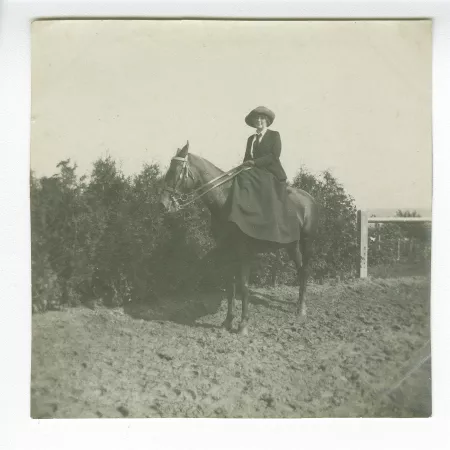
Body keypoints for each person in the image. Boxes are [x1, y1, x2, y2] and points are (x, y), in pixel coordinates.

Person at [226, 106, 299, 244]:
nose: (259, 121)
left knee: (247, 179)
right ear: (253, 122)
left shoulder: (274, 135)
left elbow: (274, 156)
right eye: (256, 119)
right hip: (254, 171)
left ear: (266, 121)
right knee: (239, 177)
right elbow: (247, 158)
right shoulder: (251, 139)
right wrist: (242, 166)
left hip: (271, 171)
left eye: (261, 119)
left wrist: (254, 163)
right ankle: (241, 218)